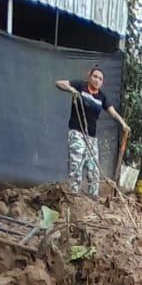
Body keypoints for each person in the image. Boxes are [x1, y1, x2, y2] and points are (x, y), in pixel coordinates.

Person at [55, 66, 129, 198]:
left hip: (91, 138)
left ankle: (93, 200)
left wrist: (123, 124)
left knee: (94, 171)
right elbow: (59, 83)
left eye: (100, 79)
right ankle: (73, 197)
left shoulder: (102, 97)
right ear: (89, 76)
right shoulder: (80, 86)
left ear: (102, 82)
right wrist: (72, 90)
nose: (97, 80)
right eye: (95, 76)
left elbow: (112, 112)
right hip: (77, 133)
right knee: (76, 167)